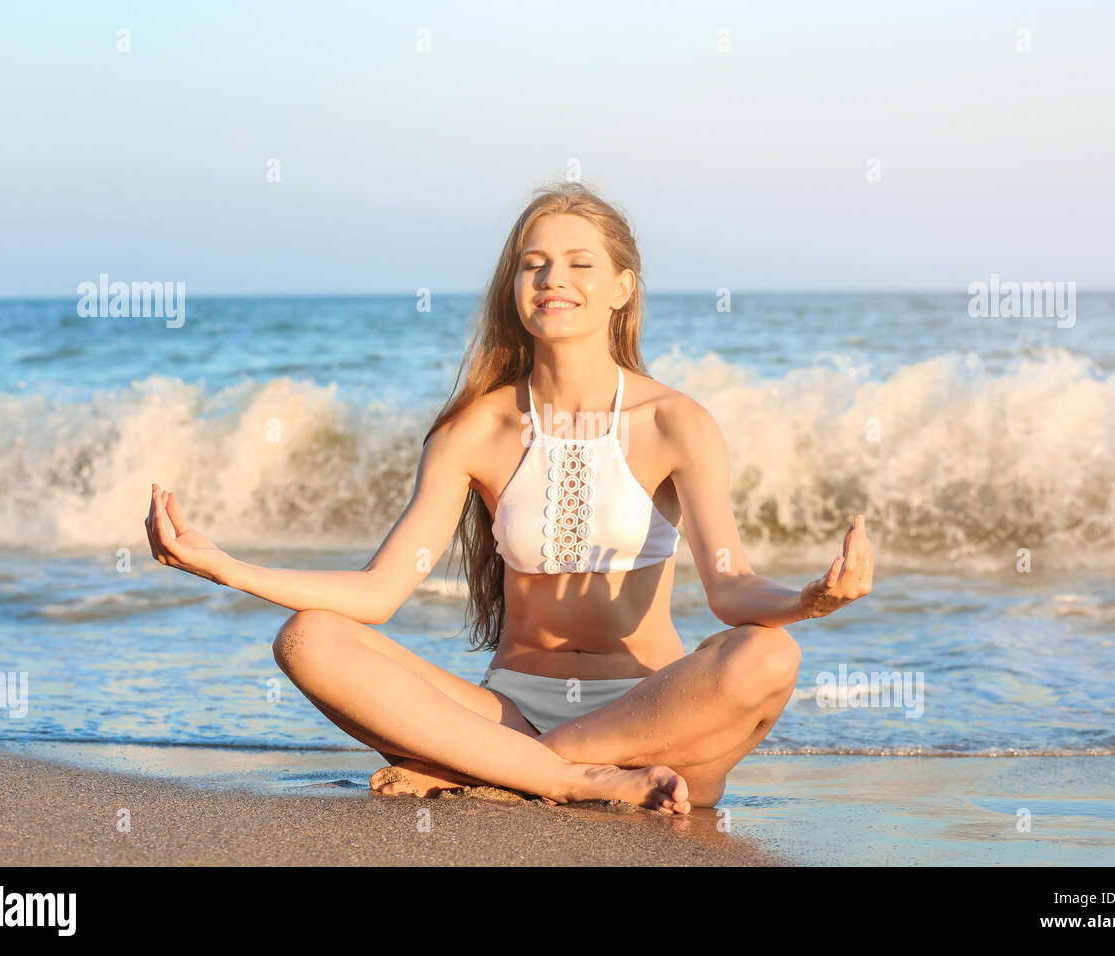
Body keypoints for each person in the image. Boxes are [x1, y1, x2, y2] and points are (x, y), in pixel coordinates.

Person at [144, 181, 873, 814]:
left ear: (623, 286)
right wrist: (226, 567)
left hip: (649, 717)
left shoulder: (675, 423)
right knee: (308, 637)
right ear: (514, 289)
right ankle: (569, 781)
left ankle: (493, 771)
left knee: (768, 658)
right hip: (507, 708)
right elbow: (376, 592)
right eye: (534, 264)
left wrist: (808, 602)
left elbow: (731, 587)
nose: (554, 277)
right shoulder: (475, 430)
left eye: (580, 263)